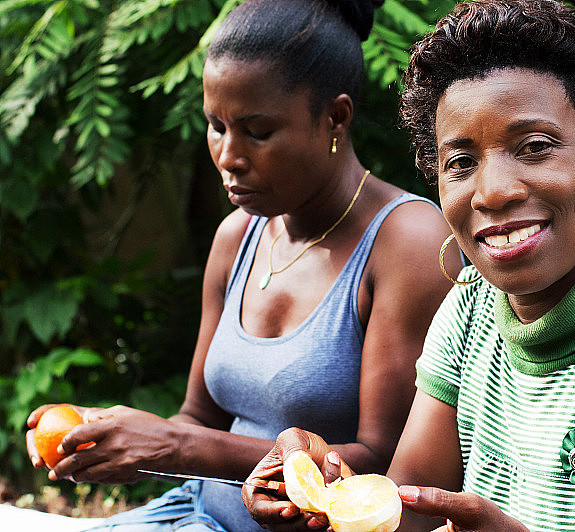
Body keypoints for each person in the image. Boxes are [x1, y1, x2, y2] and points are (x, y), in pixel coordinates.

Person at [241, 1, 575, 531]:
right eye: (461, 162)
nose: (493, 192)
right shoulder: (472, 309)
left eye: (534, 147)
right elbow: (408, 516)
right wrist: (326, 495)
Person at [25, 0, 461, 530]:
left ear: (336, 117)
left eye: (257, 131)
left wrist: (176, 446)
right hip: (193, 513)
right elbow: (198, 417)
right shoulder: (238, 235)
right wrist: (107, 435)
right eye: (216, 125)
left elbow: (387, 463)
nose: (228, 155)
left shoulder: (407, 241)